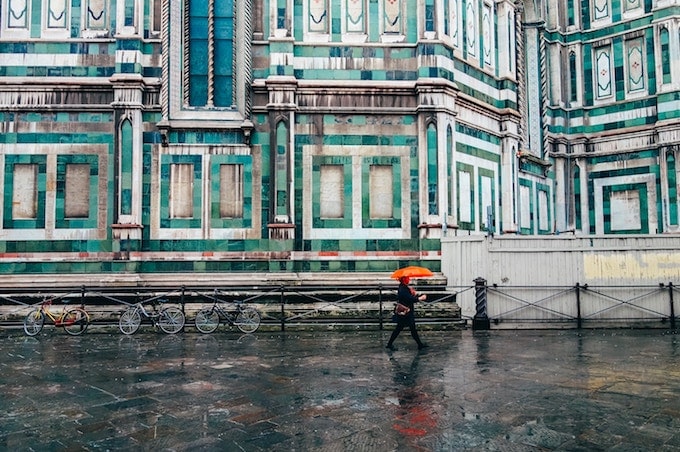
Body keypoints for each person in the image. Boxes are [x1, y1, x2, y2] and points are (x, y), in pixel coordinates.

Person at [386, 276, 428, 350]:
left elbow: (408, 297)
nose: (409, 279)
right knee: (404, 328)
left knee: (408, 328)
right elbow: (409, 298)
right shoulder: (403, 288)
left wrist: (412, 293)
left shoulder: (404, 287)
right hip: (405, 313)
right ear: (404, 279)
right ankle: (389, 344)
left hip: (407, 312)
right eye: (407, 278)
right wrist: (420, 298)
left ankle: (420, 344)